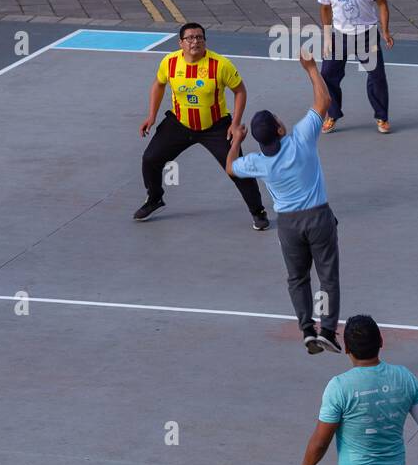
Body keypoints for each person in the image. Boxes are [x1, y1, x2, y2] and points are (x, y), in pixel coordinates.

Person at [227, 50, 341, 354]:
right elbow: (323, 102)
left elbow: (230, 168)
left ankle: (306, 328)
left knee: (297, 277)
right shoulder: (302, 137)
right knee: (327, 275)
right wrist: (312, 69)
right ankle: (327, 329)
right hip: (318, 218)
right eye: (279, 119)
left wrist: (236, 139)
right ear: (280, 129)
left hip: (289, 225)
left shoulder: (257, 162)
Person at [135, 22, 269, 230]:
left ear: (205, 41)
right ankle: (154, 199)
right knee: (150, 159)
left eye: (199, 37)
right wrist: (151, 116)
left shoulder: (220, 65)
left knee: (236, 169)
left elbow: (240, 91)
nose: (195, 41)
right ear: (180, 43)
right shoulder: (169, 63)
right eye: (190, 38)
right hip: (179, 123)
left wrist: (234, 124)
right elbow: (159, 84)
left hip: (215, 127)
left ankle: (258, 212)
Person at [296, 315, 418, 465]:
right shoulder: (405, 377)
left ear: (347, 349)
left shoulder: (339, 387)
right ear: (381, 342)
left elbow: (321, 442)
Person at [317, 0, 394, 134]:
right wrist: (327, 36)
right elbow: (325, 9)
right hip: (340, 36)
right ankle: (332, 114)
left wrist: (385, 31)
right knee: (327, 75)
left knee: (377, 77)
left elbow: (382, 5)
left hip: (367, 36)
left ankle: (382, 117)